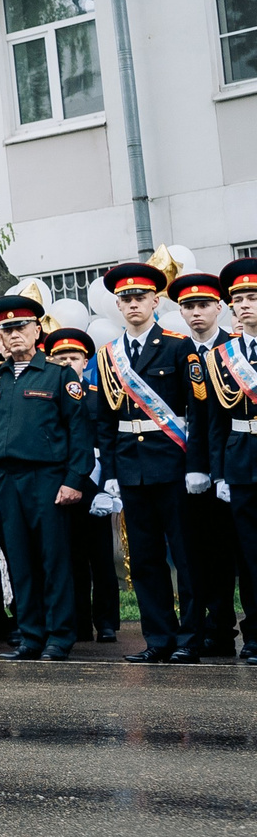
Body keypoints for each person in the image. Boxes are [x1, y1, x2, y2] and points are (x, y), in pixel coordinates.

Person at [0, 297, 91, 658]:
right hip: (4, 479)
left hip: (47, 477)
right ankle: (31, 635)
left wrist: (74, 479)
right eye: (5, 330)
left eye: (21, 327)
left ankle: (59, 637)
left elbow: (80, 432)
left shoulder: (59, 375)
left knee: (53, 560)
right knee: (19, 560)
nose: (14, 335)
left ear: (37, 330)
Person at [89, 261, 204, 662]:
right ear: (117, 306)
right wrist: (110, 476)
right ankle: (158, 638)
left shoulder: (178, 347)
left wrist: (196, 465)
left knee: (185, 554)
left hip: (173, 462)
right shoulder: (108, 356)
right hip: (130, 467)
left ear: (156, 300)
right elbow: (104, 419)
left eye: (140, 297)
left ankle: (190, 636)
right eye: (125, 299)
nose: (133, 303)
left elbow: (195, 410)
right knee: (145, 557)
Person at [172, 272, 253, 659]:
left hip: (234, 465)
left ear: (220, 308)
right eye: (188, 306)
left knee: (243, 553)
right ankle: (215, 629)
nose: (196, 312)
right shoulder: (176, 351)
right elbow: (197, 417)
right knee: (205, 553)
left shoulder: (231, 350)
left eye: (204, 304)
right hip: (201, 468)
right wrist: (202, 467)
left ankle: (245, 630)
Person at [45, 326, 125, 641]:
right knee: (70, 555)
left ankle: (106, 622)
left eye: (74, 357)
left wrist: (107, 486)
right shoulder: (45, 394)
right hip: (61, 480)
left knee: (101, 556)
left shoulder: (99, 395)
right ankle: (78, 622)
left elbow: (110, 441)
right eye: (60, 357)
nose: (68, 362)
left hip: (95, 483)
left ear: (86, 360)